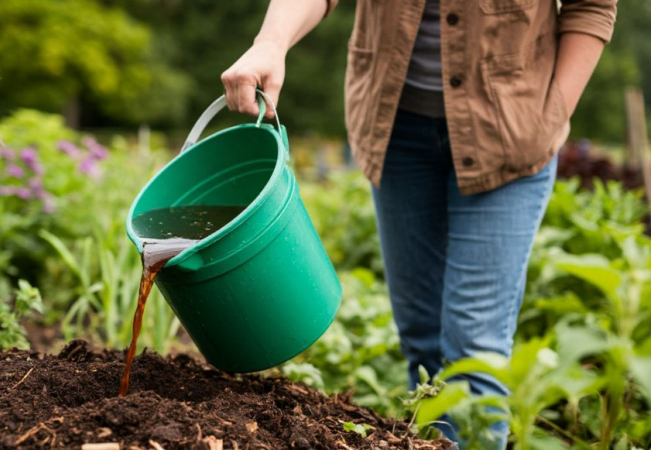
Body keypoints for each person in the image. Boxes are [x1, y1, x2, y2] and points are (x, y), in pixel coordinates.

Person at [221, 0, 616, 447]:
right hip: (396, 130)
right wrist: (270, 43)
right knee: (423, 339)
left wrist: (553, 111)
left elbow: (592, 5)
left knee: (475, 352)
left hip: (509, 133)